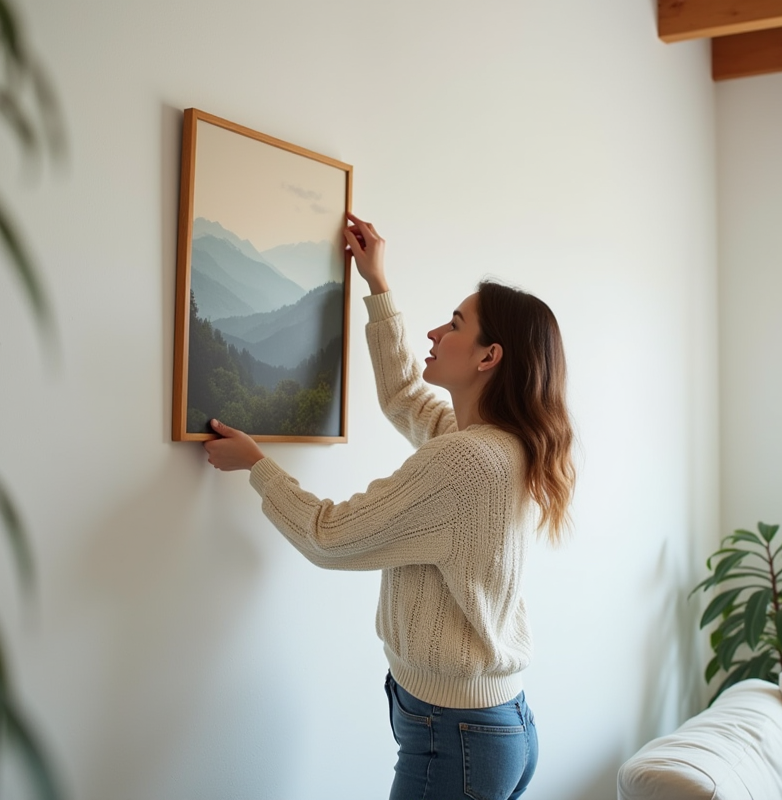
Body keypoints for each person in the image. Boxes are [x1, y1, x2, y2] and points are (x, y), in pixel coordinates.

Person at [203, 211, 576, 800]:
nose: (434, 333)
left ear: (488, 357)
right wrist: (377, 284)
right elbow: (405, 396)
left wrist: (257, 466)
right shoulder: (502, 445)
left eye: (454, 325)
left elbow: (329, 537)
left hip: (455, 736)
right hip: (492, 726)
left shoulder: (465, 463)